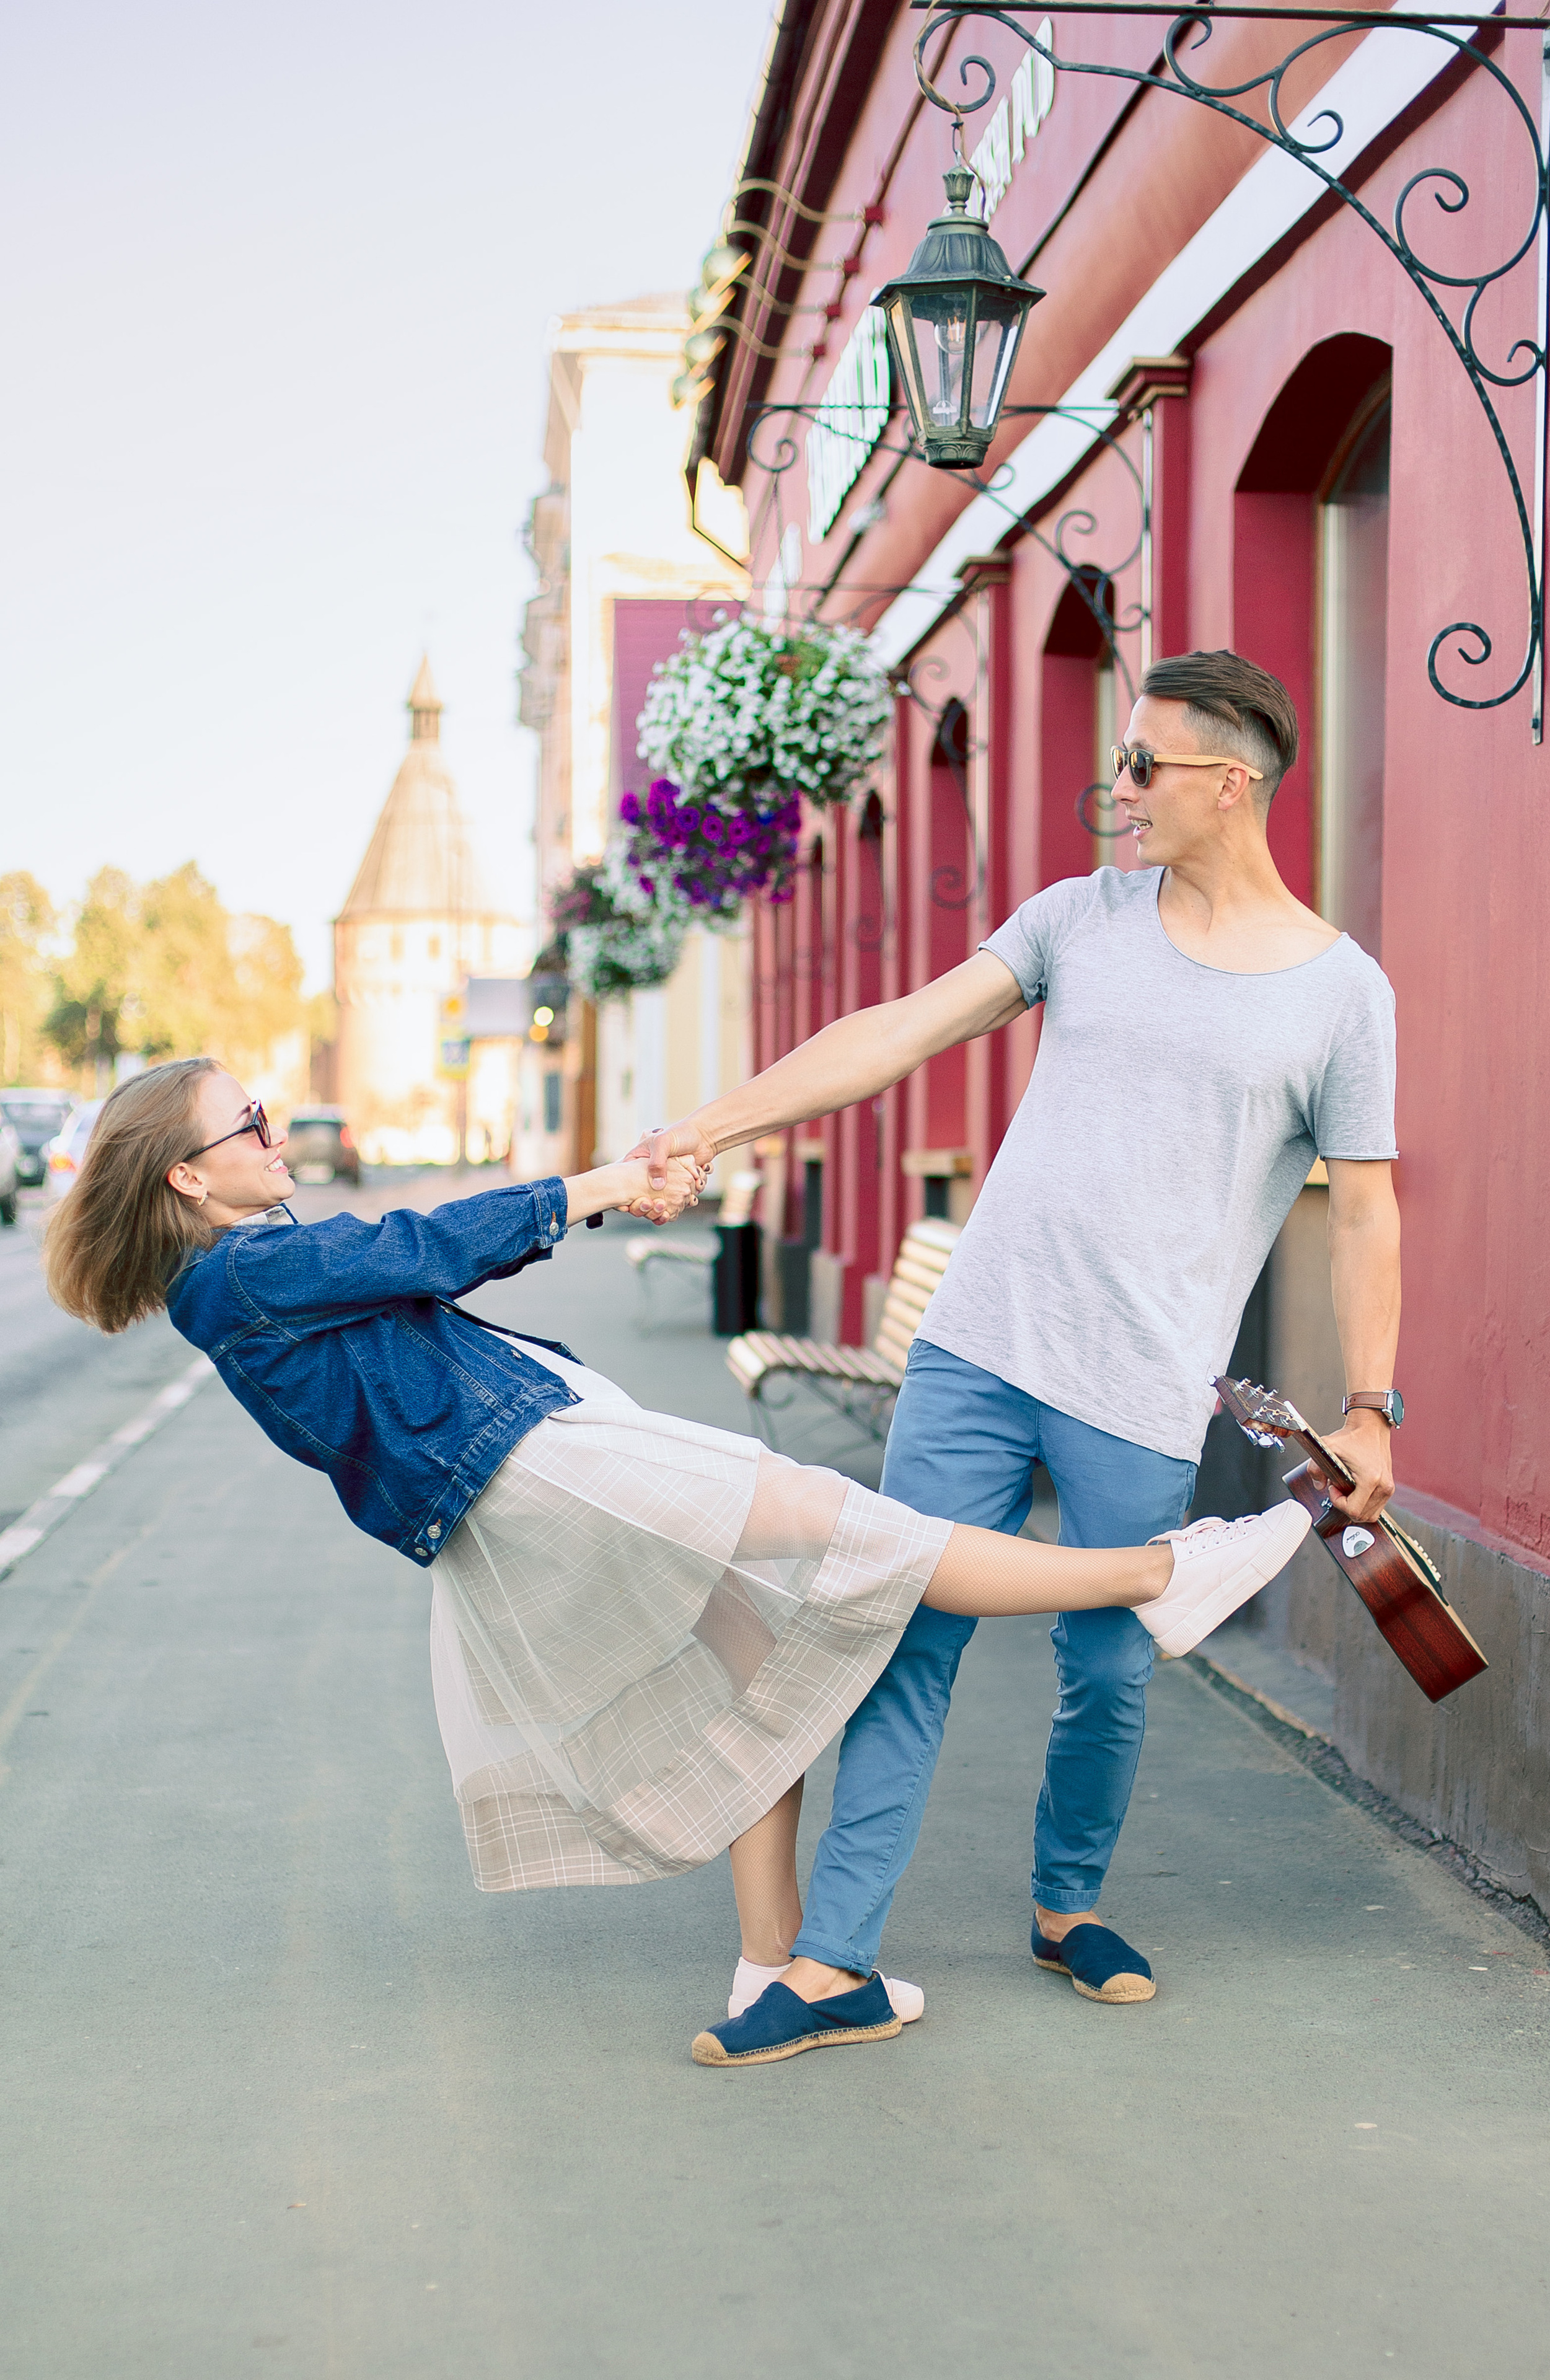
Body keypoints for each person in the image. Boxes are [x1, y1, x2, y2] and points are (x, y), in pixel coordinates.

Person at [42, 1053, 1309, 2068]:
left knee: (754, 1669)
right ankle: (1160, 1576)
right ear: (188, 1185)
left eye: (262, 1112)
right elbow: (419, 1248)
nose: (273, 1134)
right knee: (855, 1532)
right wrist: (603, 1183)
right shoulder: (249, 1274)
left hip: (533, 1467)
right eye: (246, 1124)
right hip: (543, 1466)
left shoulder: (246, 1274)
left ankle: (780, 1966)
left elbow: (402, 1281)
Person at [632, 647, 1401, 2055]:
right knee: (904, 1634)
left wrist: (1369, 1407)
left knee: (1103, 1664)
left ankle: (1064, 1906)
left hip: (1141, 1381)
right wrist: (713, 1125)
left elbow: (1363, 1207)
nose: (1117, 791)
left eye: (1142, 766)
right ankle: (830, 1966)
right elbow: (895, 1035)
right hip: (977, 1344)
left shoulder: (1338, 998)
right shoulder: (1078, 919)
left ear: (1229, 786)